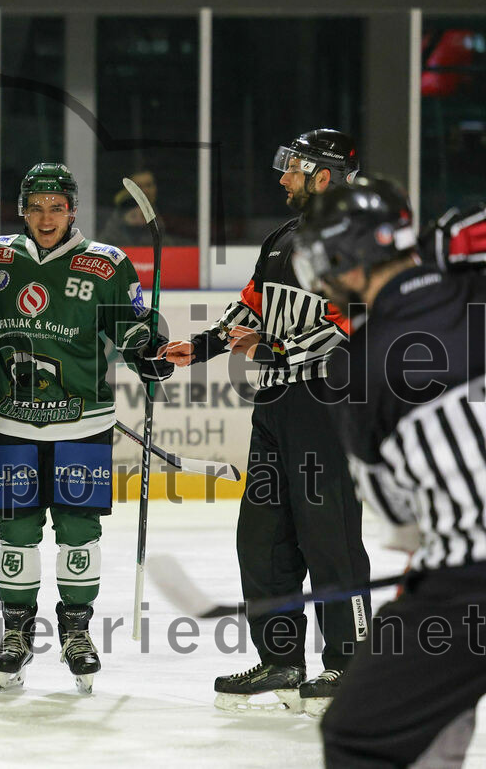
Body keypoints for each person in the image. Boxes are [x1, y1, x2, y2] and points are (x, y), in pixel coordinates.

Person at [159, 129, 370, 716]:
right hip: (276, 403)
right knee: (263, 538)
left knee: (329, 537)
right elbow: (251, 305)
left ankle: (349, 664)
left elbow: (351, 324)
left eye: (293, 168)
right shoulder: (283, 238)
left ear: (324, 176)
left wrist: (273, 350)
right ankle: (281, 661)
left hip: (327, 406)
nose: (283, 177)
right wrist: (203, 345)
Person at [292, 176, 486, 767]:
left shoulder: (356, 366)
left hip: (470, 583)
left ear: (344, 262)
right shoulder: (474, 289)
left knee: (358, 734)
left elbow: (401, 518)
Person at [0, 162, 172, 693]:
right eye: (36, 208)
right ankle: (16, 631)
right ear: (22, 211)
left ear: (73, 211)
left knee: (79, 532)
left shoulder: (107, 264)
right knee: (17, 533)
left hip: (82, 424)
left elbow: (131, 328)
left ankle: (76, 632)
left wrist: (147, 350)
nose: (46, 218)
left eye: (57, 208)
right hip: (9, 423)